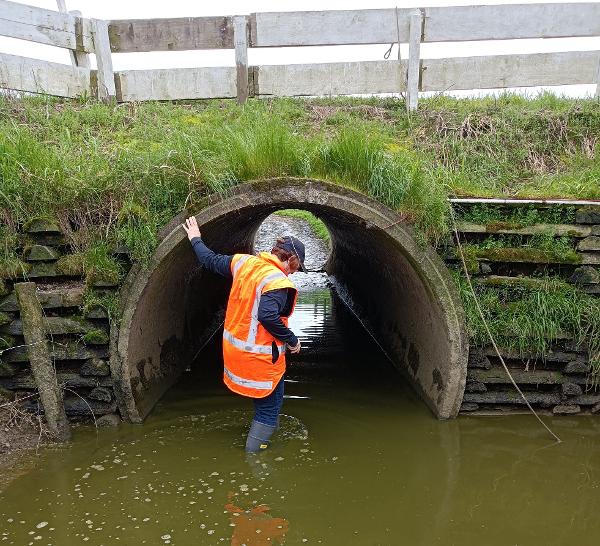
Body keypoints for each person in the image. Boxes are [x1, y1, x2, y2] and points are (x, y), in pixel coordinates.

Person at [182, 216, 305, 453]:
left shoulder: (245, 263)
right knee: (268, 410)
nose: (296, 272)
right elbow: (267, 316)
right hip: (260, 361)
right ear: (290, 258)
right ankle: (255, 459)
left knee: (272, 404)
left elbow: (210, 260)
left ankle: (267, 442)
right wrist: (292, 340)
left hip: (235, 355)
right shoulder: (278, 282)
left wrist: (195, 238)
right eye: (297, 266)